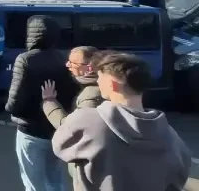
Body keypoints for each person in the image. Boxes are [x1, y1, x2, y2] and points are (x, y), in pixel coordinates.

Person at [52, 53, 192, 191]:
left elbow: (59, 146)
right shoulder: (170, 135)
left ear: (112, 84)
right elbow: (179, 177)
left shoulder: (85, 120)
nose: (97, 82)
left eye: (99, 77)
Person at [5, 15, 76, 191]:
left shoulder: (26, 59)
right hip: (56, 128)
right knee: (55, 179)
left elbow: (15, 103)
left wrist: (10, 109)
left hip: (30, 131)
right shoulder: (63, 58)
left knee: (34, 182)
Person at [41, 46, 103, 129]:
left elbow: (70, 128)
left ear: (89, 68)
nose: (67, 65)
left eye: (73, 62)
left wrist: (49, 102)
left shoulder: (91, 96)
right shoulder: (94, 85)